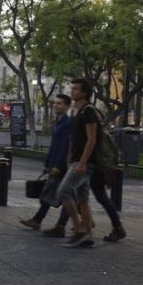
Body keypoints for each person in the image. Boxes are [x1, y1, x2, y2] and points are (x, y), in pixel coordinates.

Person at [19, 94, 72, 233]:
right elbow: (54, 145)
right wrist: (48, 163)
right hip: (54, 164)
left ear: (67, 106)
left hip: (61, 166)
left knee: (61, 197)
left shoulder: (67, 124)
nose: (56, 106)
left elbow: (64, 147)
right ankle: (38, 220)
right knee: (52, 195)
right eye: (55, 103)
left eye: (59, 103)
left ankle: (55, 224)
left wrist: (58, 166)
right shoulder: (58, 122)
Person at [57, 78, 98, 248]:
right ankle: (87, 234)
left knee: (64, 192)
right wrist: (69, 157)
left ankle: (80, 229)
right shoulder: (75, 111)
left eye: (75, 89)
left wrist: (82, 162)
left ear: (84, 93)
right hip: (75, 160)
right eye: (71, 88)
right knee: (83, 198)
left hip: (84, 162)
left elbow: (92, 138)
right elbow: (73, 138)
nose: (72, 91)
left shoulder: (88, 111)